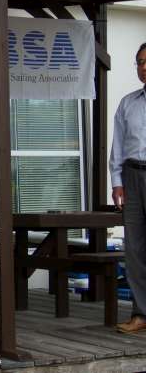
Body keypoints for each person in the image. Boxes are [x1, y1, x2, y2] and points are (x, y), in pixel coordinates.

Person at [109, 42, 146, 334]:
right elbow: (118, 147)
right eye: (140, 62)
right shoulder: (127, 103)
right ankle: (141, 313)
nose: (144, 67)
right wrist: (117, 182)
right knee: (134, 249)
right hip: (133, 177)